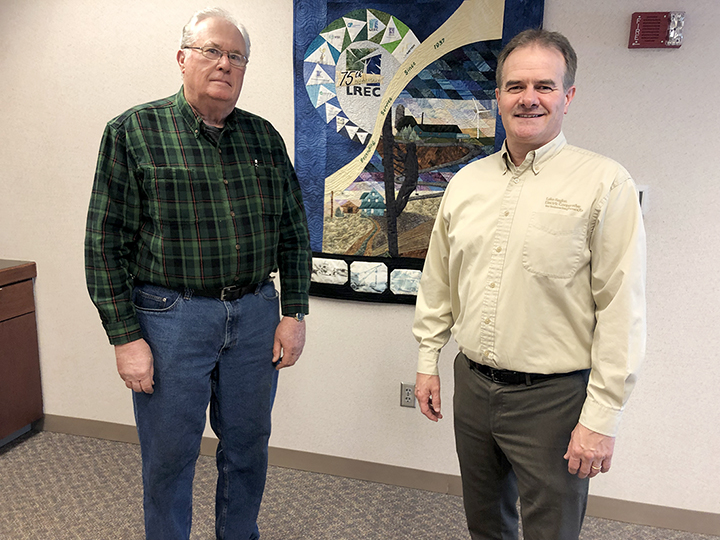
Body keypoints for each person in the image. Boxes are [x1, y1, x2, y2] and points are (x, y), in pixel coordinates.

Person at [85, 8, 311, 540]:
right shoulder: (133, 132)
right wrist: (125, 338)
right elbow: (103, 244)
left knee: (249, 448)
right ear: (182, 57)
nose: (224, 64)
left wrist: (293, 311)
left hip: (255, 316)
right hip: (170, 319)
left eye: (236, 56)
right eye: (212, 51)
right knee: (169, 456)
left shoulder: (264, 139)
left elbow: (294, 233)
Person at [412, 29, 646, 540]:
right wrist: (428, 360)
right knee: (486, 525)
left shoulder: (605, 184)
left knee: (550, 532)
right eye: (515, 86)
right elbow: (439, 283)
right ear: (497, 98)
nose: (529, 98)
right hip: (472, 388)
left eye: (544, 85)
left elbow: (620, 309)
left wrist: (601, 417)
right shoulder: (467, 183)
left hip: (554, 400)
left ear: (568, 96)